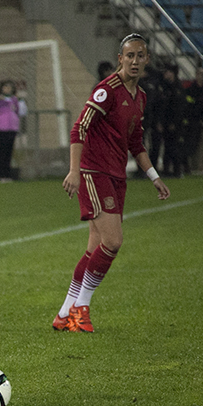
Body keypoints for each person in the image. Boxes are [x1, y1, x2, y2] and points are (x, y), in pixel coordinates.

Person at [53, 34, 170, 333]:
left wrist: (154, 177)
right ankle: (82, 309)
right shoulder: (107, 90)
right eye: (129, 55)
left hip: (117, 176)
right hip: (95, 173)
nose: (134, 60)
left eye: (139, 55)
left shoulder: (139, 97)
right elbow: (80, 127)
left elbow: (135, 142)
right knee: (113, 242)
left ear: (146, 59)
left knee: (95, 248)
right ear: (120, 58)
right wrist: (74, 171)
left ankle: (64, 313)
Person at [0, 80, 27, 182]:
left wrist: (21, 101)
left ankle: (7, 174)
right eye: (5, 87)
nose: (7, 89)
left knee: (9, 151)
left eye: (9, 87)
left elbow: (22, 112)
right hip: (0, 128)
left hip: (12, 128)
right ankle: (1, 174)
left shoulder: (14, 100)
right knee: (1, 151)